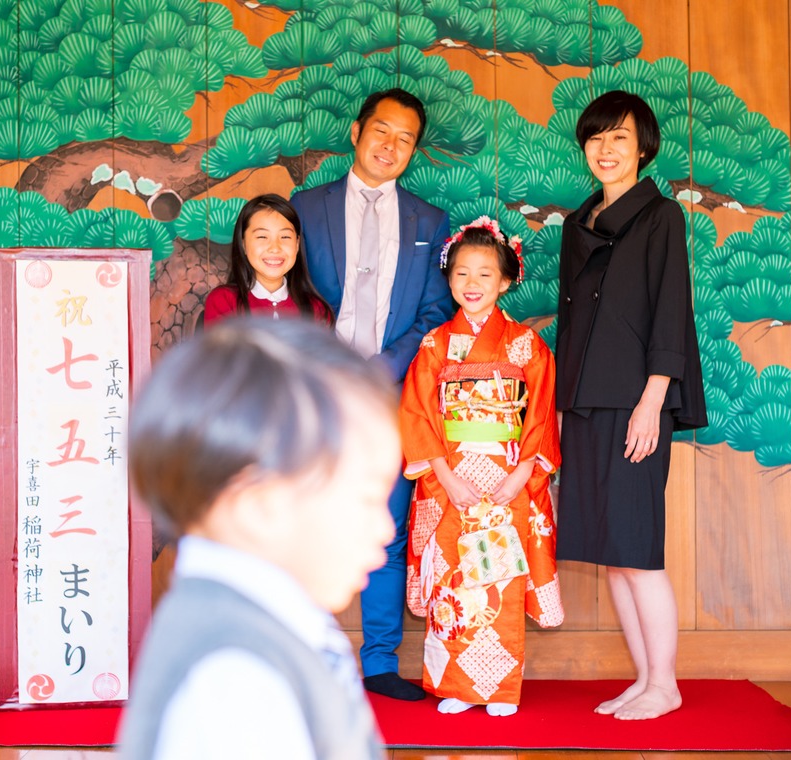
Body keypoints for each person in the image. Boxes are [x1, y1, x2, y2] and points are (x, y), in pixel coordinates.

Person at [119, 318, 399, 760]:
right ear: (258, 506)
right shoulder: (234, 682)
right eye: (367, 497)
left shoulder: (278, 614)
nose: (386, 528)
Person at [291, 87, 454, 701]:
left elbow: (436, 310)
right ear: (356, 132)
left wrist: (387, 365)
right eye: (381, 131)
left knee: (384, 530)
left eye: (405, 138)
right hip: (313, 398)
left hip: (390, 398)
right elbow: (283, 286)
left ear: (414, 150)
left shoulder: (429, 220)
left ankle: (380, 662)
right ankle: (302, 655)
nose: (390, 145)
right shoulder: (305, 208)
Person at [555, 90, 707, 721]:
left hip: (636, 400)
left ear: (644, 148)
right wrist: (561, 408)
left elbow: (671, 310)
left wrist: (653, 402)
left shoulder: (661, 216)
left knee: (638, 551)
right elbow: (570, 325)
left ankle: (666, 684)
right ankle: (645, 679)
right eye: (595, 138)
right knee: (613, 554)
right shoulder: (577, 223)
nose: (606, 150)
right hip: (585, 403)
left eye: (619, 138)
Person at [399, 217, 563, 716]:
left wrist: (519, 476)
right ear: (449, 279)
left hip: (507, 474)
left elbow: (539, 413)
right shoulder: (432, 347)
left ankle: (496, 688)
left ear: (506, 280)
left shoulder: (526, 346)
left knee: (499, 577)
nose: (472, 285)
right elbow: (417, 414)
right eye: (462, 274)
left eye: (485, 275)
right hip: (450, 479)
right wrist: (446, 476)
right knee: (452, 576)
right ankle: (454, 687)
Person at [203, 194, 332, 326]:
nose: (275, 248)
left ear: (297, 244)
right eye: (262, 237)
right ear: (243, 244)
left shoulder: (317, 309)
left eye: (285, 237)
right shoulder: (224, 300)